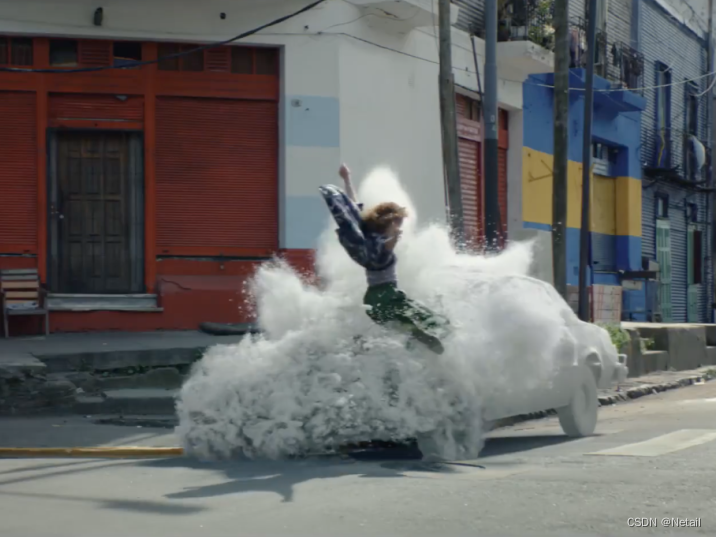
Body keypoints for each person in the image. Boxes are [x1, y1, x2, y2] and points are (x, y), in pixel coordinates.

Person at [318, 164, 451, 355]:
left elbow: (353, 204)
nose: (400, 228)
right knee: (433, 322)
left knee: (409, 328)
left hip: (373, 301)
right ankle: (439, 339)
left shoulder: (365, 234)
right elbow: (387, 247)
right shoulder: (381, 246)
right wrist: (395, 235)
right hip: (388, 297)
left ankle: (418, 345)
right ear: (390, 222)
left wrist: (347, 178)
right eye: (398, 223)